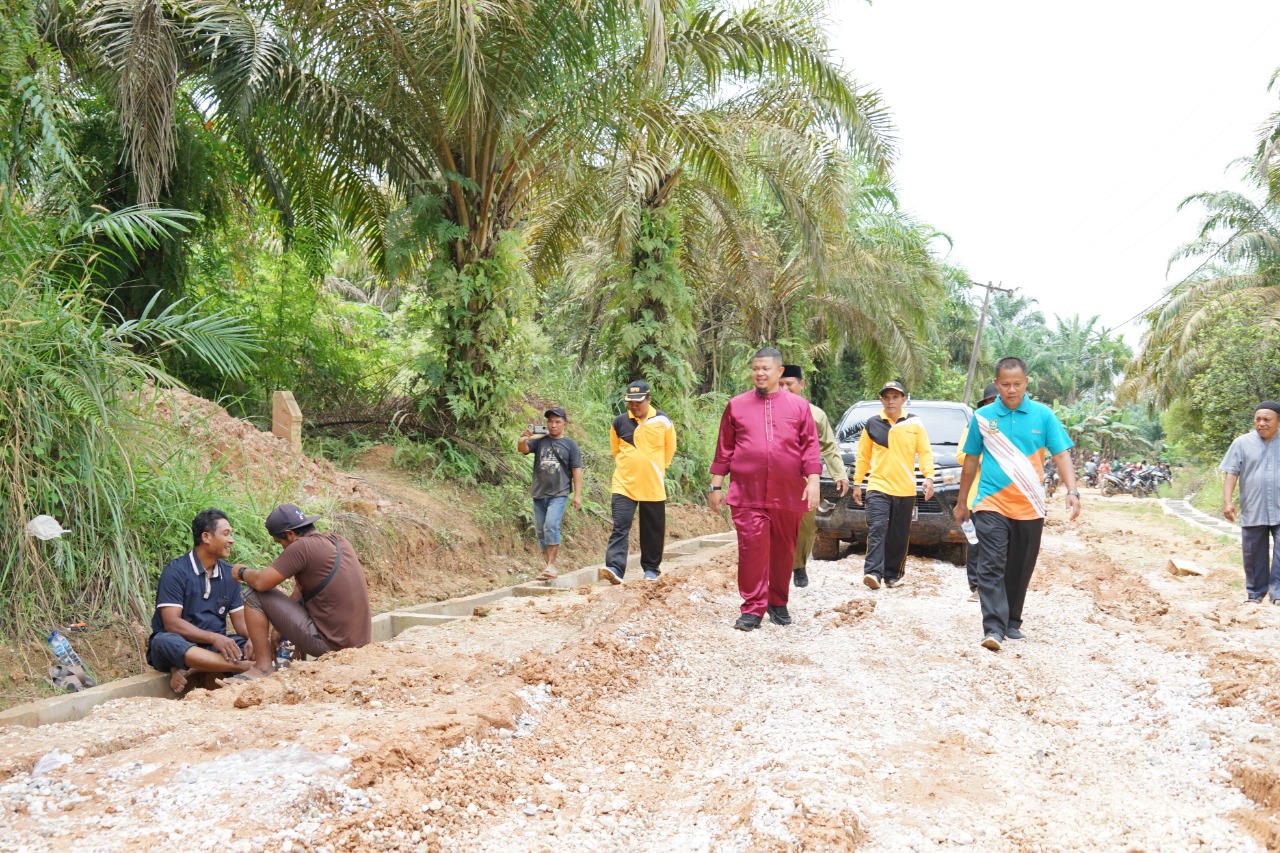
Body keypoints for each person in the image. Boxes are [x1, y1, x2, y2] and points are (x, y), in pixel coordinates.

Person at [954, 357, 1080, 652]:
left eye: (1017, 384)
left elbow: (1062, 455)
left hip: (1031, 504)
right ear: (996, 384)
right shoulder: (983, 417)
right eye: (1006, 384)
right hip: (990, 502)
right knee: (991, 562)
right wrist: (962, 502)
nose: (1012, 390)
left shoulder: (1043, 415)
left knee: (1020, 566)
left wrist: (1073, 491)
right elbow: (970, 461)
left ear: (1027, 383)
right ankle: (994, 627)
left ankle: (1012, 621)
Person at [709, 348, 822, 630]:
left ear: (779, 371)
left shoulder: (799, 407)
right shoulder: (736, 405)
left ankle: (778, 601)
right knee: (751, 549)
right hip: (747, 492)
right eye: (755, 368)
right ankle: (752, 608)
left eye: (765, 368)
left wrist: (814, 481)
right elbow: (724, 448)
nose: (760, 373)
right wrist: (716, 485)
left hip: (788, 492)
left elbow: (810, 447)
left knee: (784, 550)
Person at [233, 504, 373, 679]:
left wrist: (241, 571)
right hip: (359, 642)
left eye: (280, 542)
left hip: (333, 645)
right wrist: (279, 627)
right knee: (303, 606)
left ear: (290, 534)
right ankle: (294, 667)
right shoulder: (337, 540)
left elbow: (262, 582)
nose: (283, 547)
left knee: (253, 594)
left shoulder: (301, 547)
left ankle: (262, 668)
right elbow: (301, 590)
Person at [147, 509, 255, 693]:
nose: (231, 540)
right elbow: (172, 623)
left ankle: (191, 667)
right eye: (226, 534)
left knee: (256, 647)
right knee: (163, 641)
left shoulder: (230, 575)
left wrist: (254, 638)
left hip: (214, 647)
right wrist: (213, 637)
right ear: (206, 537)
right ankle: (239, 668)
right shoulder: (176, 572)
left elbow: (241, 622)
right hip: (180, 644)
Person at [852, 380, 935, 590]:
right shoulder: (872, 423)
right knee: (877, 527)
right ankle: (873, 572)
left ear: (903, 399)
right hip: (878, 486)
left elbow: (925, 452)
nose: (890, 401)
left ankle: (892, 574)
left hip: (905, 488)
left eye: (895, 397)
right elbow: (863, 456)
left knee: (899, 533)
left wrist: (929, 477)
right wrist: (857, 483)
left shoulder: (915, 423)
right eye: (886, 397)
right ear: (881, 400)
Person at [601, 380, 677, 583]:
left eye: (638, 402)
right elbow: (615, 451)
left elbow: (670, 448)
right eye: (630, 402)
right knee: (620, 525)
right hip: (624, 483)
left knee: (653, 528)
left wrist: (657, 469)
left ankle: (651, 569)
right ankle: (615, 568)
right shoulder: (619, 422)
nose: (634, 406)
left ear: (649, 399)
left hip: (652, 483)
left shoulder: (663, 421)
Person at [780, 365, 848, 588]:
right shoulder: (768, 411)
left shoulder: (815, 414)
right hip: (775, 478)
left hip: (805, 480)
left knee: (806, 526)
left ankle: (799, 566)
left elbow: (829, 446)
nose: (785, 388)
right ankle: (776, 566)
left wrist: (839, 474)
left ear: (801, 384)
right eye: (780, 384)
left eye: (789, 384)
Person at [1221, 401, 1280, 603]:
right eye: (1258, 419)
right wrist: (1227, 501)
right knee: (1253, 554)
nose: (1261, 423)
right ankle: (1255, 594)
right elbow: (1231, 473)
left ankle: (1278, 593)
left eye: (1267, 420)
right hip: (1253, 508)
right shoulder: (1242, 443)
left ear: (1278, 421)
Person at [519, 407, 584, 580]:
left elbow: (576, 470)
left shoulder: (570, 445)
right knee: (540, 531)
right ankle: (548, 568)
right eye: (550, 421)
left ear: (565, 424)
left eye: (557, 422)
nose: (553, 425)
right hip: (539, 493)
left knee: (550, 525)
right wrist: (524, 438)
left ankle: (552, 566)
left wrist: (577, 495)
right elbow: (522, 449)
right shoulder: (539, 441)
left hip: (559, 492)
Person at [956, 383, 999, 602]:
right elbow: (962, 456)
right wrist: (983, 459)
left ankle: (995, 587)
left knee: (997, 547)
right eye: (990, 402)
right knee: (975, 544)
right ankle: (976, 586)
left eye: (996, 401)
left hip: (1002, 499)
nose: (994, 406)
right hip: (976, 498)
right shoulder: (974, 425)